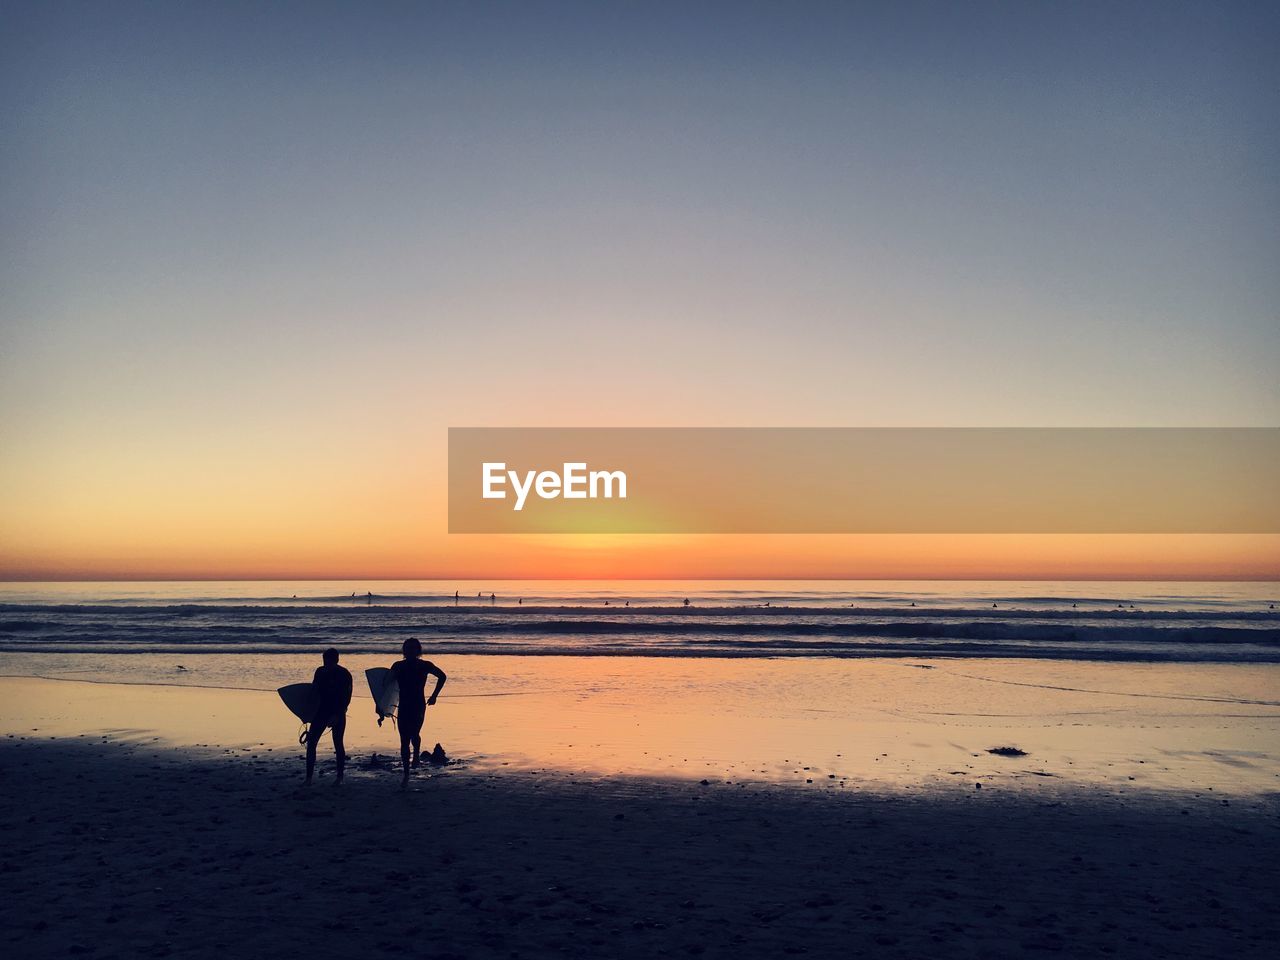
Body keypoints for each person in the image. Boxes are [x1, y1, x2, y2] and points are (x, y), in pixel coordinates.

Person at [389, 637, 447, 788]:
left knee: (414, 734)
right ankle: (406, 774)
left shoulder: (424, 665)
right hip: (404, 706)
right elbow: (388, 686)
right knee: (403, 740)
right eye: (408, 648)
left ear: (418, 650)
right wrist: (383, 707)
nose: (410, 651)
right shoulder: (397, 666)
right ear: (404, 650)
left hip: (418, 705)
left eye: (414, 648)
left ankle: (416, 752)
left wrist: (434, 696)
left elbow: (442, 676)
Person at [305, 648, 352, 786]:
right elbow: (314, 692)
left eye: (330, 660)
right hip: (321, 712)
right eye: (325, 660)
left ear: (336, 660)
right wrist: (307, 712)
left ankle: (340, 777)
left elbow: (346, 698)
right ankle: (308, 778)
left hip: (338, 711)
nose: (327, 663)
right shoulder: (320, 672)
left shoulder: (344, 674)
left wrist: (337, 715)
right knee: (311, 743)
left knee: (338, 744)